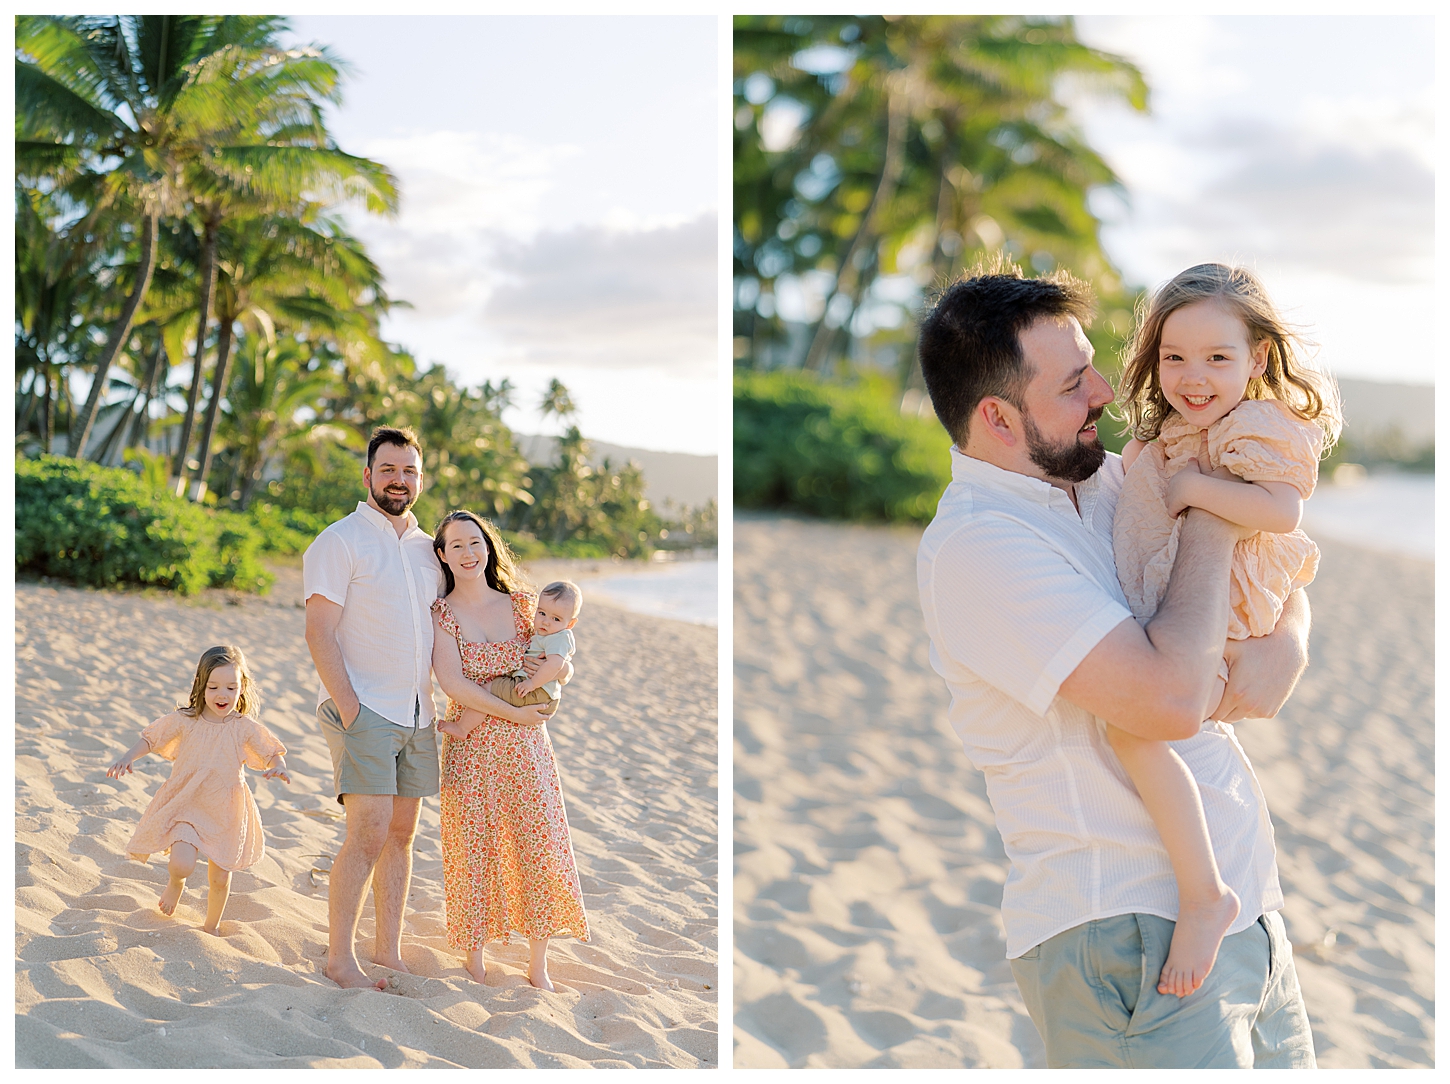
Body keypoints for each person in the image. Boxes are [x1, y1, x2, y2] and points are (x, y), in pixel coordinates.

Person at [914, 261, 1317, 1068]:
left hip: (1249, 918)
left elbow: (1265, 565)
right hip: (1131, 939)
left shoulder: (1099, 480)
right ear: (997, 416)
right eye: (1072, 383)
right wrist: (1208, 501)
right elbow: (1167, 702)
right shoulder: (980, 546)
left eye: (1094, 363)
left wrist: (1292, 640)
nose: (1104, 389)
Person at [1107, 263, 1341, 998]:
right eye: (1174, 357)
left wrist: (1194, 490)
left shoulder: (1259, 423)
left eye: (1217, 357)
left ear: (1258, 359)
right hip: (1204, 615)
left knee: (1135, 730)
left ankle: (1206, 894)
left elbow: (1282, 510)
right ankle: (1208, 890)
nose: (1192, 376)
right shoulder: (1179, 431)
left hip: (1230, 614)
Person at [301, 427, 555, 991]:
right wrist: (351, 708)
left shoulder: (426, 549)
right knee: (365, 833)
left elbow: (459, 616)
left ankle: (386, 950)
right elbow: (319, 632)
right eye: (388, 469)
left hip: (420, 716)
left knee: (401, 835)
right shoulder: (339, 541)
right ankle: (340, 958)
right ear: (368, 476)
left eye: (409, 471)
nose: (399, 479)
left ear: (421, 478)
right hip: (366, 710)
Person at [429, 510, 590, 992]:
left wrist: (562, 675)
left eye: (475, 542)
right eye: (455, 545)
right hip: (472, 748)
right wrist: (513, 712)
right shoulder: (442, 613)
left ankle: (538, 963)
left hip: (526, 750)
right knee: (472, 848)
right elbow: (451, 681)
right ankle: (475, 958)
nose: (468, 552)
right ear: (442, 554)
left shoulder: (524, 605)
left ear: (488, 546)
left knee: (537, 844)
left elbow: (560, 657)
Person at [106, 645, 290, 934]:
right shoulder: (186, 720)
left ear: (242, 689)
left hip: (225, 810)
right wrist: (128, 757)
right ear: (201, 685)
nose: (222, 695)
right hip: (188, 802)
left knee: (219, 879)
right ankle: (176, 884)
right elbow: (152, 738)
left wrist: (278, 765)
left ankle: (211, 926)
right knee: (181, 864)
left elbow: (270, 749)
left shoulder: (243, 726)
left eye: (231, 687)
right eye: (214, 686)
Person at [483, 579, 582, 713]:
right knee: (487, 694)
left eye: (556, 619)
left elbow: (556, 664)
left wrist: (532, 683)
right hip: (535, 689)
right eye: (542, 613)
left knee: (484, 692)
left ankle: (463, 728)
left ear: (570, 624)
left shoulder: (560, 637)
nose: (546, 622)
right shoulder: (548, 635)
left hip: (538, 691)